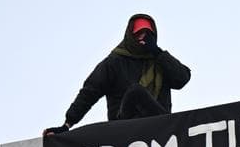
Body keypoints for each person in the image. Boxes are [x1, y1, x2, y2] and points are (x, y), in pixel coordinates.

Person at [45, 13, 191, 134]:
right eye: (139, 33)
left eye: (148, 34)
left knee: (141, 96)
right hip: (124, 127)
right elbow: (89, 92)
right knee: (135, 92)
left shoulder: (160, 61)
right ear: (130, 35)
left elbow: (182, 78)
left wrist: (157, 52)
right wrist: (67, 124)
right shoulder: (115, 62)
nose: (143, 38)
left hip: (157, 127)